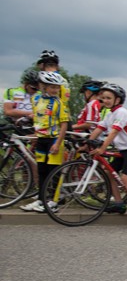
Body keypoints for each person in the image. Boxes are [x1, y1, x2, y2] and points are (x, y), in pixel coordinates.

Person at [87, 83, 127, 229]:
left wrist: (102, 148)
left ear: (118, 100)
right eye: (103, 98)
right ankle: (119, 204)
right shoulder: (109, 114)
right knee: (108, 172)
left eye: (109, 98)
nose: (105, 101)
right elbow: (99, 129)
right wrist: (86, 142)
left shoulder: (122, 113)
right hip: (123, 149)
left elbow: (113, 132)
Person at [18, 72, 70, 212]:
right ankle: (41, 200)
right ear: (43, 86)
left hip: (54, 139)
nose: (55, 90)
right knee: (41, 171)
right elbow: (37, 116)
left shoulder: (58, 103)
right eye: (52, 87)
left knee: (52, 172)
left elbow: (64, 124)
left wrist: (58, 143)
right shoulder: (35, 99)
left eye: (57, 87)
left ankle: (53, 202)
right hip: (41, 139)